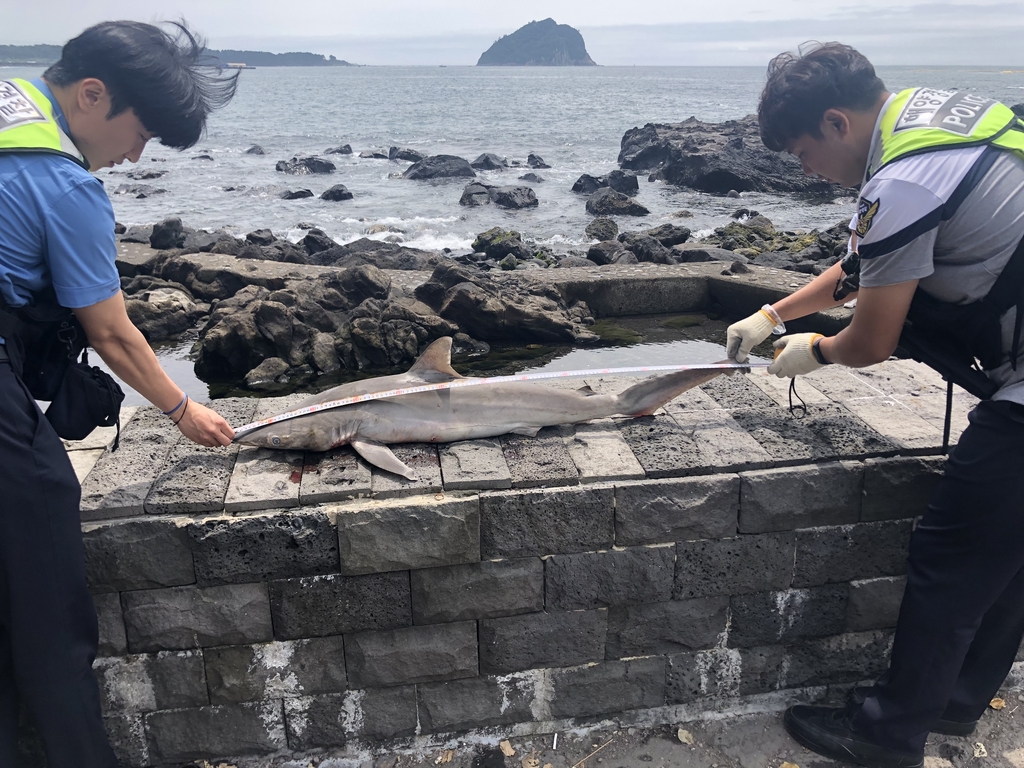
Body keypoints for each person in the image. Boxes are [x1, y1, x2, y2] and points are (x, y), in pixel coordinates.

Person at [726, 42, 1024, 768]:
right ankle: (955, 702)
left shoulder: (902, 184)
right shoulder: (944, 121)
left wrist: (814, 351)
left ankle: (885, 737)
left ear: (835, 122)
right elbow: (868, 260)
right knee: (1010, 552)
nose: (806, 172)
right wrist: (774, 313)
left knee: (951, 558)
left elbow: (874, 339)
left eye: (802, 154)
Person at [0, 21, 237, 766]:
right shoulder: (62, 181)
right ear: (92, 93)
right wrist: (181, 407)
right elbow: (112, 333)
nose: (136, 156)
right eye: (141, 134)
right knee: (44, 587)